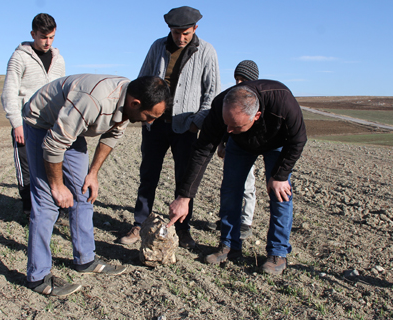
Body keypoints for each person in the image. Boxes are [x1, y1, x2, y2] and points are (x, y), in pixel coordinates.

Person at [23, 74, 170, 296]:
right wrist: (57, 185)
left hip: (69, 128)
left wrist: (92, 173)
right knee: (47, 202)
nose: (150, 122)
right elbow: (53, 145)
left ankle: (85, 260)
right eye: (149, 116)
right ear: (135, 103)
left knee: (84, 192)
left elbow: (111, 136)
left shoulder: (129, 100)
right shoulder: (93, 101)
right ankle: (38, 277)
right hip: (43, 124)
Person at [168, 80, 307, 276]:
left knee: (280, 194)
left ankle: (278, 253)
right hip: (241, 145)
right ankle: (230, 246)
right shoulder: (219, 107)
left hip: (277, 143)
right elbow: (202, 151)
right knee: (230, 190)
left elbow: (299, 139)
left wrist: (280, 175)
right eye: (227, 125)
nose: (228, 131)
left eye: (235, 125)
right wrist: (184, 196)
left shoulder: (282, 101)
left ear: (256, 116)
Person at [119, 6, 221, 249]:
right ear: (169, 30)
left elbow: (212, 92)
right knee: (148, 176)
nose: (181, 37)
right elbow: (141, 81)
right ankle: (140, 224)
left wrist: (196, 123)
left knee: (184, 180)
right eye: (176, 32)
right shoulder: (157, 47)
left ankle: (182, 229)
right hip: (155, 125)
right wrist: (146, 117)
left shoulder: (206, 51)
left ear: (195, 29)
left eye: (185, 32)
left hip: (187, 128)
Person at [1, 13, 65, 218]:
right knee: (27, 168)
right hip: (26, 123)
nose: (48, 42)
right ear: (33, 34)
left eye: (52, 37)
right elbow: (9, 92)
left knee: (54, 165)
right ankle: (29, 210)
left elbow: (62, 92)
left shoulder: (59, 60)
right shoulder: (19, 57)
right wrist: (16, 123)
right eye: (43, 37)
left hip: (52, 124)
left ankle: (55, 209)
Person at [207, 60, 260, 240]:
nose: (238, 83)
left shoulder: (255, 102)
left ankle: (246, 222)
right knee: (229, 184)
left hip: (249, 149)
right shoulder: (233, 97)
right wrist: (223, 143)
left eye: (243, 79)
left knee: (248, 185)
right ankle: (227, 218)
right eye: (237, 79)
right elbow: (226, 124)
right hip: (233, 148)